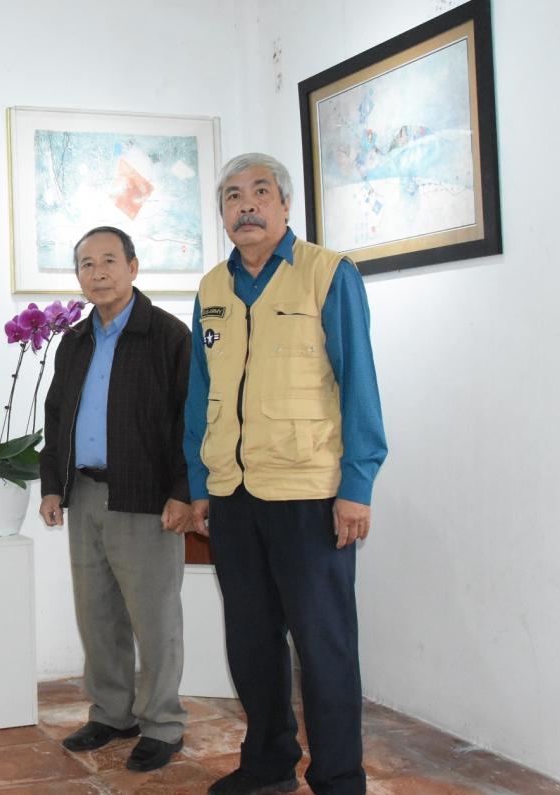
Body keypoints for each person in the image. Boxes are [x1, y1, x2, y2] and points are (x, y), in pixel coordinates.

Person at [183, 153, 387, 795]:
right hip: (233, 495)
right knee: (250, 642)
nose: (246, 206)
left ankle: (338, 777)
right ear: (221, 214)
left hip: (309, 493)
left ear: (284, 205)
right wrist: (198, 484)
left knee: (323, 645)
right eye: (233, 196)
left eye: (260, 193)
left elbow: (360, 386)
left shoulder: (329, 274)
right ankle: (268, 761)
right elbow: (199, 395)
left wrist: (357, 486)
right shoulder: (211, 289)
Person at [38, 225, 193, 773]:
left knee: (154, 620)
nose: (98, 272)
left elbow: (189, 422)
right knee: (97, 615)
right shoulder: (75, 340)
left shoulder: (168, 336)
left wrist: (184, 493)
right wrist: (53, 484)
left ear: (133, 266)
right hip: (86, 494)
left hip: (148, 501)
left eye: (109, 260)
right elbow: (58, 416)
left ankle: (163, 724)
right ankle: (112, 713)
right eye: (86, 263)